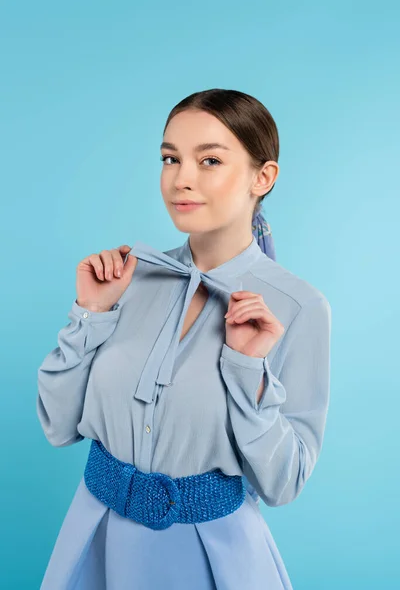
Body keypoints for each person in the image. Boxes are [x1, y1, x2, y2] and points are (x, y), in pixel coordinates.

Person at [37, 88, 331, 590]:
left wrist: (247, 372)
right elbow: (59, 428)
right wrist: (91, 313)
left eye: (210, 160)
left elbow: (283, 484)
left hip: (209, 558)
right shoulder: (128, 278)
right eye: (170, 158)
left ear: (264, 177)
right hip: (94, 542)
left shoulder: (298, 308)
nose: (181, 179)